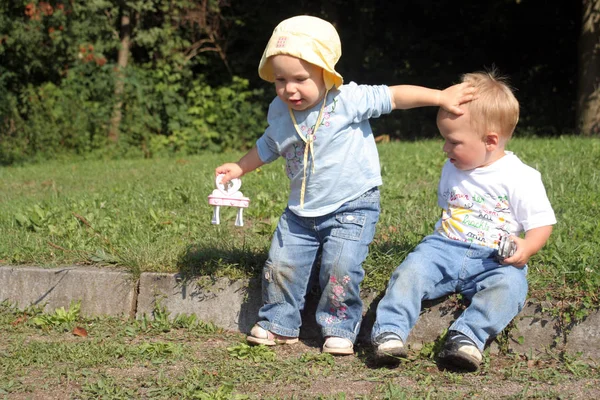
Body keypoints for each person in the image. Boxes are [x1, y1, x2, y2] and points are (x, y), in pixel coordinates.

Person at [215, 15, 476, 355]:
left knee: (340, 267)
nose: (289, 89)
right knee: (280, 264)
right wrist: (240, 166)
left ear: (326, 73)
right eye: (280, 79)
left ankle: (338, 326)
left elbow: (395, 96)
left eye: (300, 79)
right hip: (300, 212)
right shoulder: (280, 111)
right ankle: (279, 322)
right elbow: (268, 146)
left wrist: (440, 97)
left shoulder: (347, 100)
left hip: (352, 205)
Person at [370, 70, 556, 370]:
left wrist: (527, 247)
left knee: (510, 288)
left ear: (490, 141)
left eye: (453, 142)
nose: (445, 149)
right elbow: (449, 208)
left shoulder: (521, 177)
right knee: (410, 272)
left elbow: (542, 223)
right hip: (443, 247)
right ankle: (389, 333)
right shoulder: (452, 168)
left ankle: (467, 337)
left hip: (493, 259)